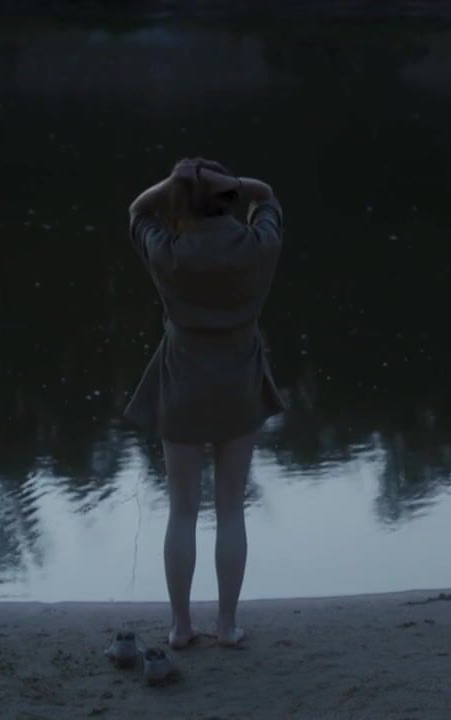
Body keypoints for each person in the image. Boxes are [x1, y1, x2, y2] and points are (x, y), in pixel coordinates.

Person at [124, 157, 285, 649]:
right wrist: (233, 183)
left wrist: (175, 183)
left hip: (182, 387)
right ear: (228, 197)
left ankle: (180, 626)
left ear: (180, 201)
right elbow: (267, 195)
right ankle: (228, 625)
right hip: (239, 386)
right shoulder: (258, 245)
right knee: (231, 508)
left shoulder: (169, 253)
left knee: (182, 511)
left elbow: (137, 211)